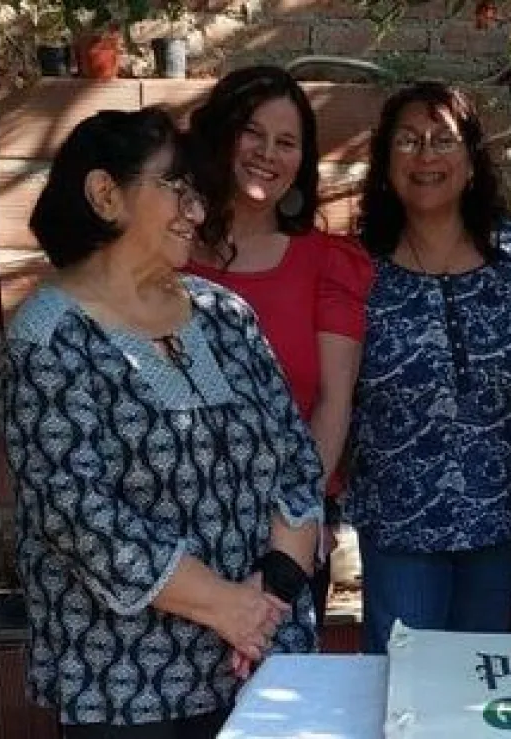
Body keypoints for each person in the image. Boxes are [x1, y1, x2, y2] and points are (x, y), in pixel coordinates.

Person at [2, 108, 323, 738]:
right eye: (177, 189)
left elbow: (296, 459)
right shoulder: (49, 337)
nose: (197, 213)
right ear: (104, 194)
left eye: (198, 195)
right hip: (126, 682)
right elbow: (79, 514)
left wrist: (269, 597)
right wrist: (226, 607)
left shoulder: (225, 313)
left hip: (259, 661)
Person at [349, 81, 511, 654]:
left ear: (471, 161)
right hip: (400, 527)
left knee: (478, 686)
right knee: (404, 684)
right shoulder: (359, 268)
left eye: (444, 140)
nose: (425, 155)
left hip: (499, 521)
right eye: (408, 141)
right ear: (385, 164)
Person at [185, 65, 372, 638]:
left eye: (286, 142)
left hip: (282, 534)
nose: (268, 153)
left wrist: (297, 517)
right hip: (175, 530)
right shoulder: (163, 248)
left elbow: (333, 404)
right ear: (220, 134)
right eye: (253, 133)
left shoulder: (327, 263)